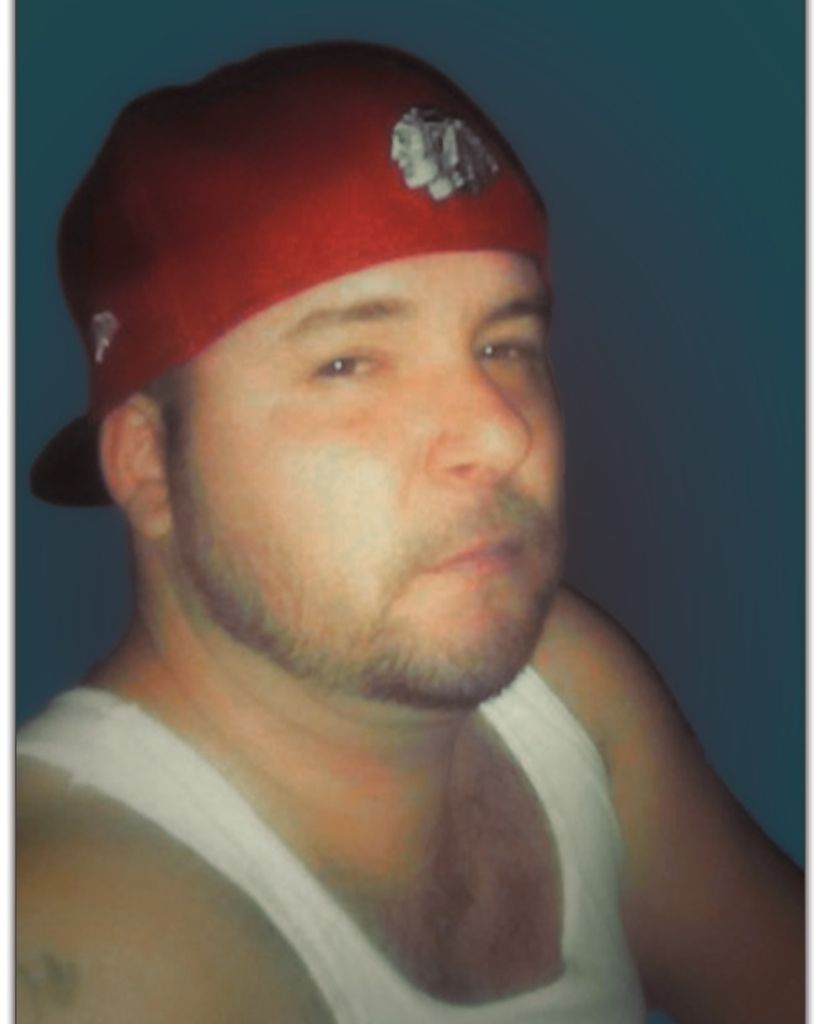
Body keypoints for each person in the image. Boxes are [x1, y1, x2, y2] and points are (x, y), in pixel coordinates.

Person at [16, 41, 803, 1024]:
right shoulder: (75, 947)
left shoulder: (565, 695)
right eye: (348, 363)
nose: (499, 433)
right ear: (146, 465)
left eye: (503, 343)